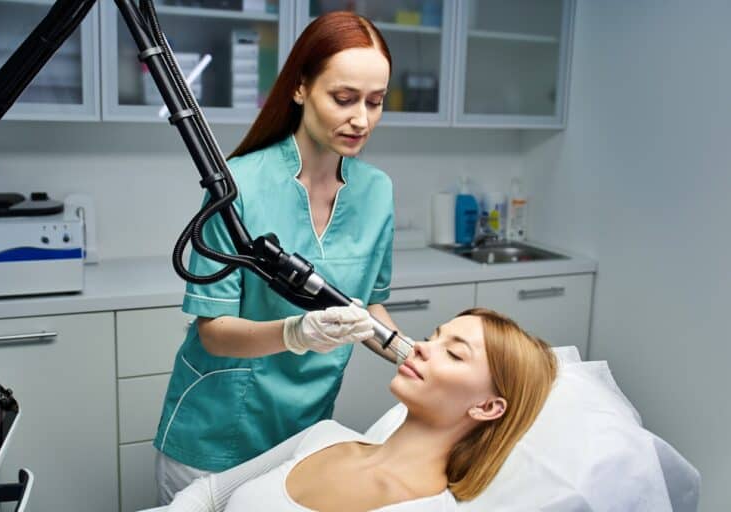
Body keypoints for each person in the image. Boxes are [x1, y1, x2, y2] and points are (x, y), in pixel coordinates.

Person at [154, 11, 403, 504]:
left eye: (375, 102)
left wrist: (408, 353)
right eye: (344, 98)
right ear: (300, 88)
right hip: (214, 437)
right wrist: (296, 333)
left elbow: (369, 306)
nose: (362, 119)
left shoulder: (377, 191)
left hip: (304, 437)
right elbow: (213, 330)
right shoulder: (238, 185)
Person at [166, 308, 558, 511]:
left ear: (488, 407)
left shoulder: (422, 507)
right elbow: (208, 496)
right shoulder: (325, 436)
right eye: (431, 337)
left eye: (454, 354)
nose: (420, 347)